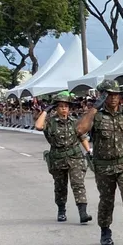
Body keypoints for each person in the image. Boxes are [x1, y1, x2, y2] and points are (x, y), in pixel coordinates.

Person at [76, 80, 123, 245]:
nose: (114, 97)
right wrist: (94, 108)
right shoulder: (96, 116)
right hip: (104, 167)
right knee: (106, 201)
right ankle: (105, 231)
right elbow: (80, 130)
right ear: (102, 95)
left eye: (116, 94)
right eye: (109, 94)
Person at [35, 91, 93, 224]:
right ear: (56, 108)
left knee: (78, 184)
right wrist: (45, 111)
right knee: (60, 186)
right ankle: (61, 210)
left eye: (66, 106)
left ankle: (83, 213)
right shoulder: (50, 122)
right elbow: (38, 126)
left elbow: (82, 137)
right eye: (60, 106)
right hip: (58, 158)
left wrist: (89, 151)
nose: (64, 109)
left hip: (75, 157)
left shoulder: (74, 122)